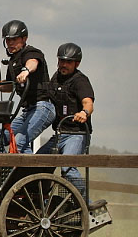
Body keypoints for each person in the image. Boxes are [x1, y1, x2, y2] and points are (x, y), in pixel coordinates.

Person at [0, 20, 55, 153]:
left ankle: (28, 173)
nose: (10, 43)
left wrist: (26, 71)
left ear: (24, 39)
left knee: (19, 142)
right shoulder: (13, 62)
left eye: (14, 39)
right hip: (27, 111)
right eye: (7, 40)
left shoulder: (32, 53)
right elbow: (8, 87)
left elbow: (33, 63)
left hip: (42, 107)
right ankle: (2, 171)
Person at [37, 42, 97, 202]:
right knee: (35, 163)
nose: (63, 65)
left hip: (76, 134)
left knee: (68, 167)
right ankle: (40, 202)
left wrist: (84, 113)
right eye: (61, 61)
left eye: (68, 62)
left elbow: (88, 103)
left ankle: (86, 205)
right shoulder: (55, 78)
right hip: (59, 134)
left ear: (77, 63)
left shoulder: (80, 81)